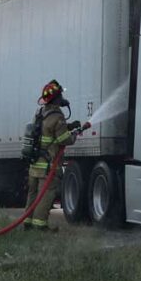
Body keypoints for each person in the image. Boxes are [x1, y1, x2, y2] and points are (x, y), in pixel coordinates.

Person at [24, 80, 88, 231]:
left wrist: (69, 126)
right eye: (60, 95)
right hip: (47, 166)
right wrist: (74, 134)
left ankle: (28, 223)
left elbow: (48, 130)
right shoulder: (57, 116)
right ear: (56, 98)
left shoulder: (41, 112)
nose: (62, 98)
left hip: (35, 164)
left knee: (33, 195)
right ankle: (40, 226)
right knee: (46, 195)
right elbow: (63, 139)